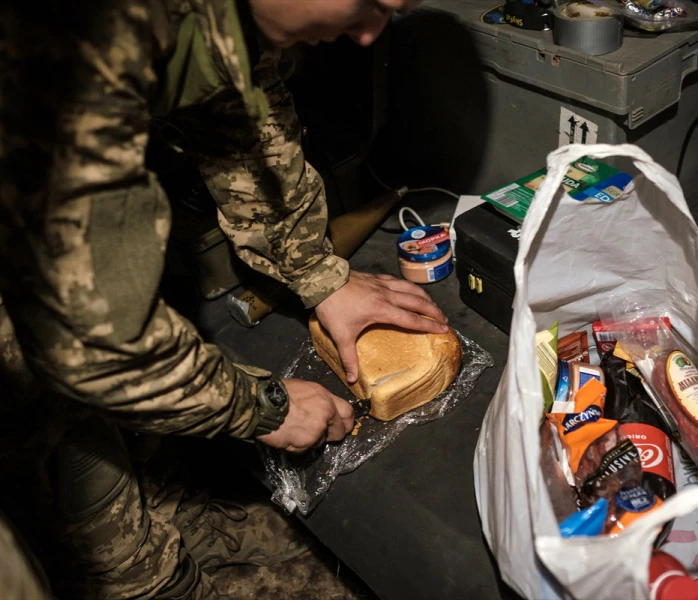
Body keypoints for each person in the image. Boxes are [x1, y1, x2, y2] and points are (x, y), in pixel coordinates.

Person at [0, 0, 435, 597]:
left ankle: (178, 521)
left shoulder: (223, 18)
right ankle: (149, 576)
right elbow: (95, 346)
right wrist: (265, 407)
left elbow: (244, 120)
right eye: (368, 4)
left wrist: (316, 272)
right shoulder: (86, 38)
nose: (369, 33)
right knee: (68, 451)